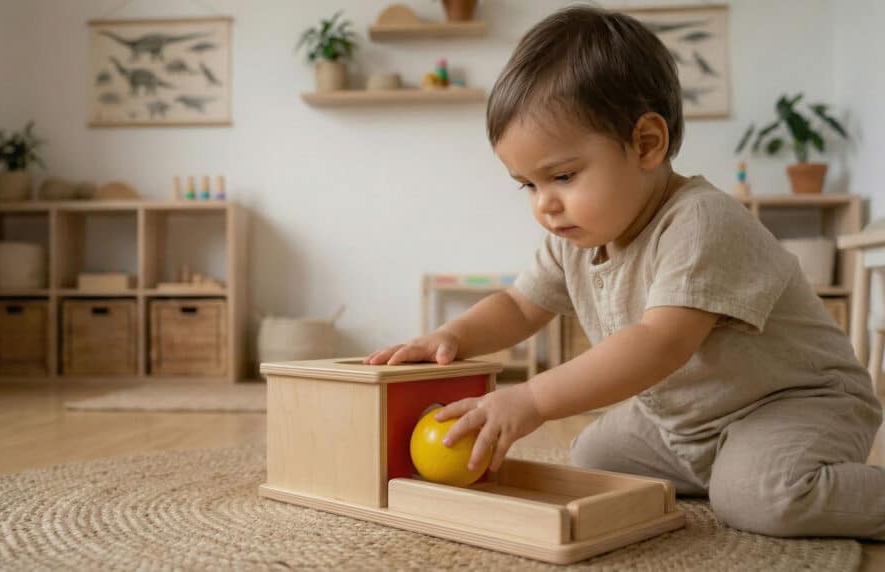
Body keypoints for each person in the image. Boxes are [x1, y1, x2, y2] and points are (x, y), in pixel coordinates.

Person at [365, 5, 884, 539]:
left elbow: (660, 343)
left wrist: (533, 398)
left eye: (562, 175)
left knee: (763, 499)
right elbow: (520, 306)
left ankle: (754, 476)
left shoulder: (702, 220)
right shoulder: (576, 239)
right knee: (592, 457)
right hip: (688, 425)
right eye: (528, 185)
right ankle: (724, 469)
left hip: (795, 402)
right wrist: (453, 335)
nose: (545, 204)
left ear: (646, 144)